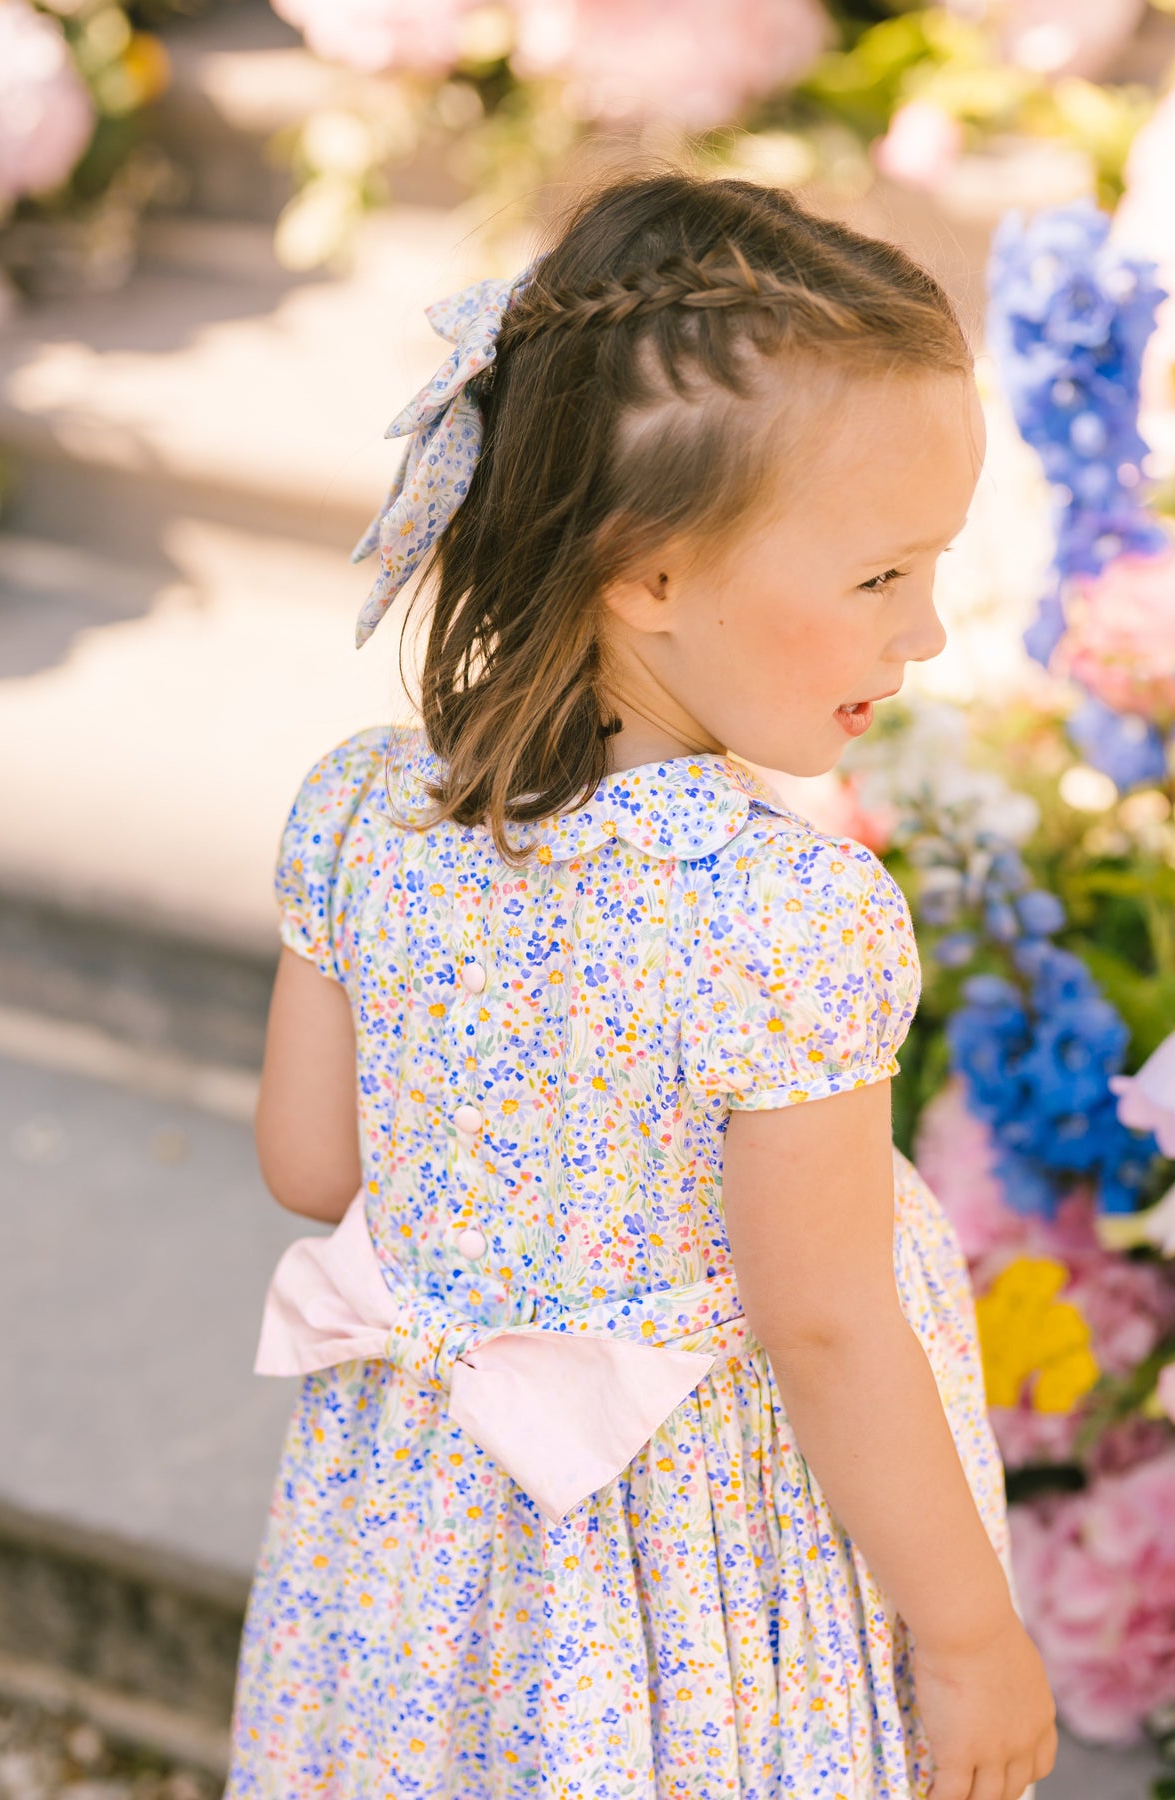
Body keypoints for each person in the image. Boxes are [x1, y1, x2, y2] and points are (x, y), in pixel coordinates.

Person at [225, 172, 1058, 1800]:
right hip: (686, 1575)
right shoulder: (780, 919)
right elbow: (826, 1325)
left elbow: (314, 1169)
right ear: (649, 573)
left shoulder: (359, 812)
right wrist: (970, 1642)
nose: (930, 632)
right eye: (882, 578)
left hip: (419, 1540)